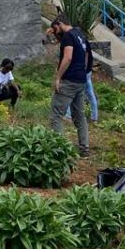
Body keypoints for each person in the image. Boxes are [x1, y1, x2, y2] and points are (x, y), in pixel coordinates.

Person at [48, 14, 91, 156]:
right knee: (79, 116)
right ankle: (84, 148)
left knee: (56, 114)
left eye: (55, 28)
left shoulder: (68, 36)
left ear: (60, 23)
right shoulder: (79, 35)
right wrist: (83, 72)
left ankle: (58, 149)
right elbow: (86, 56)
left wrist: (58, 78)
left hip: (68, 81)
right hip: (80, 80)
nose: (56, 32)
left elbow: (68, 57)